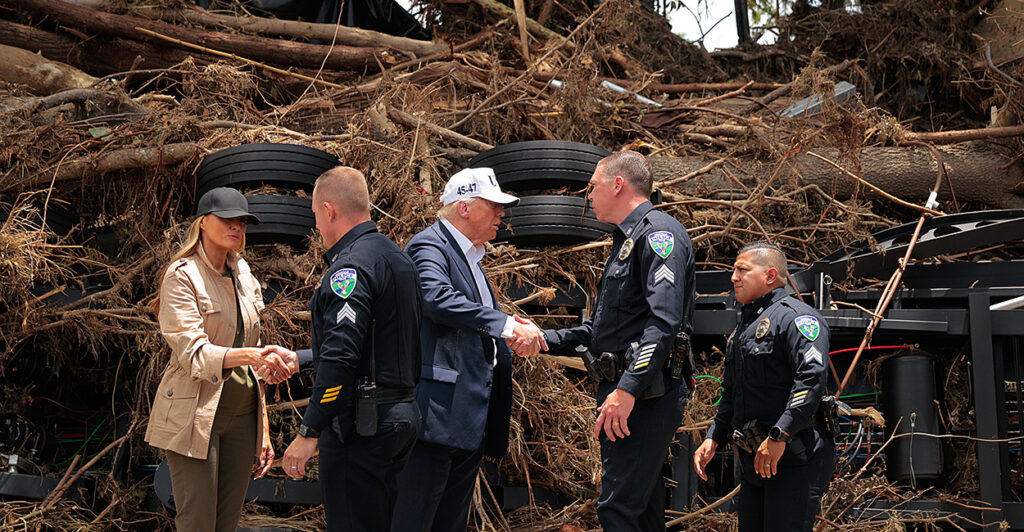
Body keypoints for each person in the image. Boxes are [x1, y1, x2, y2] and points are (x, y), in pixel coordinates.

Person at [541, 150, 695, 531]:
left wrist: (627, 389)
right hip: (633, 393)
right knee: (640, 511)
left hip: (644, 396)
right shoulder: (626, 240)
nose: (588, 196)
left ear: (618, 184)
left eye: (592, 187)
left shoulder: (658, 235)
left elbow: (664, 322)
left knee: (618, 510)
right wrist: (543, 338)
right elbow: (602, 332)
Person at [392, 167, 548, 532]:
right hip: (435, 419)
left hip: (463, 420)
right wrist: (507, 325)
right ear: (464, 207)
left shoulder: (471, 257)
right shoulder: (429, 245)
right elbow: (434, 297)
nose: (501, 214)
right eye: (493, 206)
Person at [145, 186, 298, 532]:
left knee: (226, 524)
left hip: (242, 417)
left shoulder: (243, 274)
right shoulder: (182, 275)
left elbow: (252, 358)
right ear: (202, 222)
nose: (237, 226)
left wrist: (263, 431)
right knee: (198, 522)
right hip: (194, 416)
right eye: (228, 218)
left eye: (242, 221)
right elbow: (194, 354)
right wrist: (252, 355)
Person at [280, 166, 423, 532]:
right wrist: (302, 359)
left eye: (315, 215)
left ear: (328, 211)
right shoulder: (397, 258)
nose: (316, 226)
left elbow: (343, 357)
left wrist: (308, 430)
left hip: (361, 428)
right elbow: (378, 344)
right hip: (400, 417)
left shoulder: (350, 268)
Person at [693, 242, 834, 532]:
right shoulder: (743, 329)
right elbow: (732, 393)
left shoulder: (797, 318)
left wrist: (780, 434)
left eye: (742, 270)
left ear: (770, 276)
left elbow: (811, 380)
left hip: (793, 455)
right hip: (755, 459)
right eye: (733, 270)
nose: (733, 277)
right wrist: (713, 437)